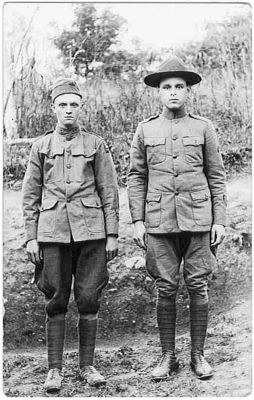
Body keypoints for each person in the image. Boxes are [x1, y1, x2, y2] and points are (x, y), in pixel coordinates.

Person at [127, 55, 226, 381]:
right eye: (166, 87)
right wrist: (138, 220)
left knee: (198, 286)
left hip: (198, 219)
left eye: (179, 86)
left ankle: (198, 355)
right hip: (158, 221)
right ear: (158, 92)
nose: (173, 92)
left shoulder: (203, 128)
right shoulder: (145, 130)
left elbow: (216, 176)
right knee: (165, 287)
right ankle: (167, 356)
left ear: (188, 91)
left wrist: (220, 220)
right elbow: (136, 177)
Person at [22, 78, 119, 392]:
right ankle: (54, 370)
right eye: (62, 104)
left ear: (81, 108)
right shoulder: (40, 146)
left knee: (89, 298)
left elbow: (109, 191)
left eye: (73, 104)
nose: (68, 110)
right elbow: (30, 195)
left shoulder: (95, 144)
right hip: (52, 233)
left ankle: (87, 365)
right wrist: (30, 237)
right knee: (56, 298)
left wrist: (113, 234)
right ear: (53, 108)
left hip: (91, 232)